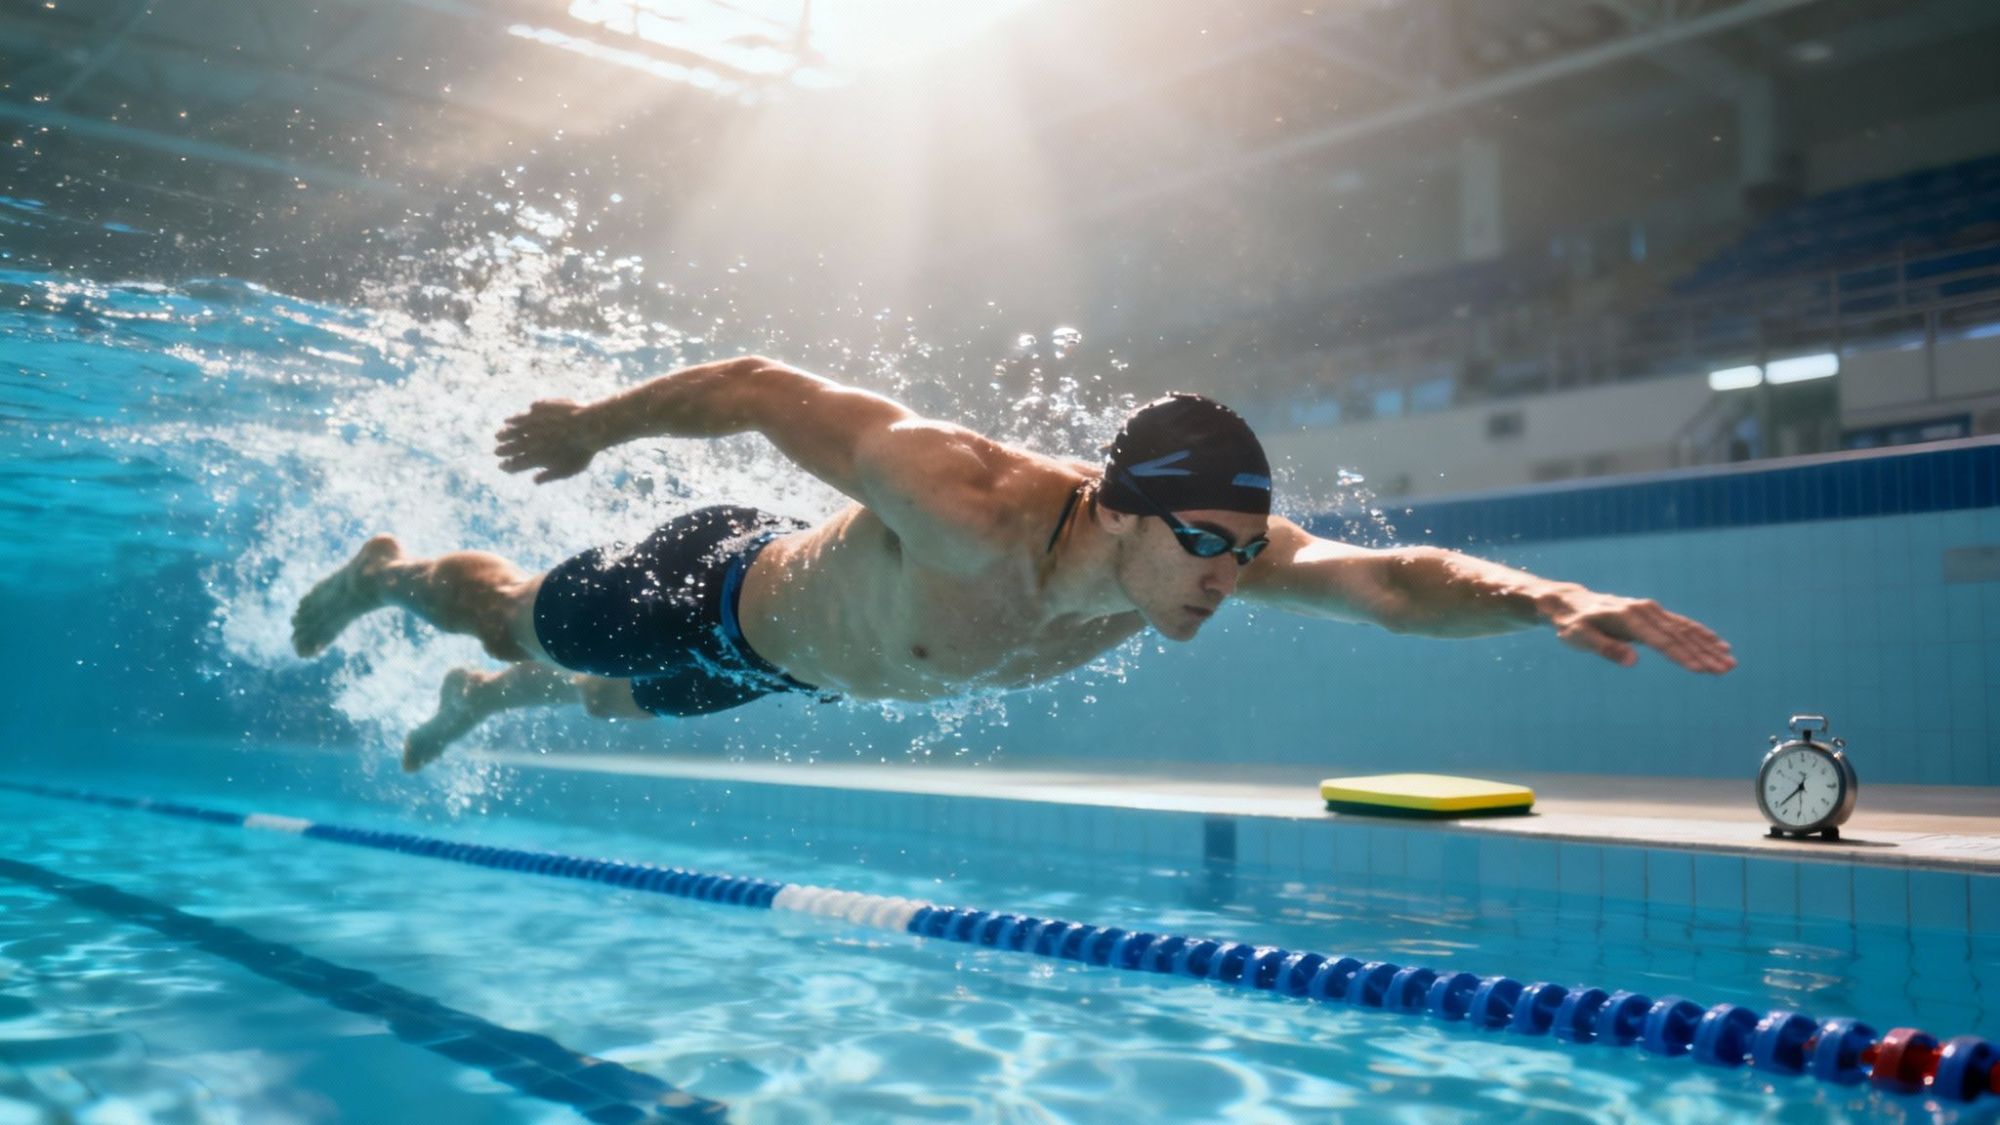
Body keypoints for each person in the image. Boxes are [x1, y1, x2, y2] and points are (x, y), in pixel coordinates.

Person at [290, 355, 1736, 771]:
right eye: (1210, 546)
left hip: (792, 673)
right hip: (716, 587)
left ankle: (487, 701)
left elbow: (1388, 580)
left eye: (1247, 550)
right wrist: (595, 429)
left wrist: (1549, 595)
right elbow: (756, 387)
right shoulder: (965, 495)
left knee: (591, 704)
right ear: (1117, 505)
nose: (1235, 578)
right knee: (515, 622)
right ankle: (391, 571)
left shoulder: (1177, 559)